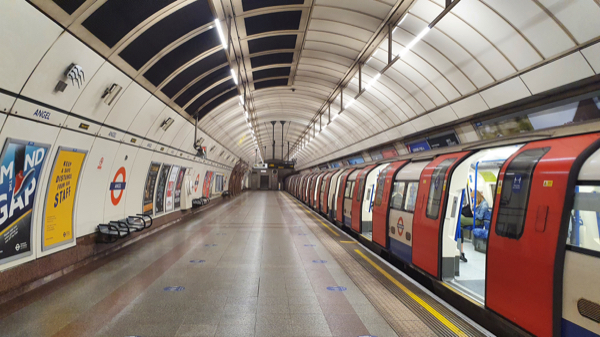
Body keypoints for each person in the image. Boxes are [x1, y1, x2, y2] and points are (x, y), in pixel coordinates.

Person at [459, 190, 489, 262]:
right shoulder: (478, 202)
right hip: (474, 217)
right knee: (460, 217)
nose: (473, 199)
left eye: (474, 198)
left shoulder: (484, 204)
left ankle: (459, 236)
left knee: (460, 219)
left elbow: (480, 217)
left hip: (478, 221)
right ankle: (459, 234)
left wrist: (473, 213)